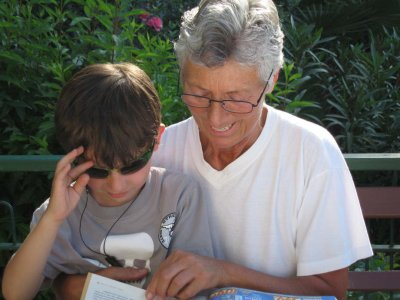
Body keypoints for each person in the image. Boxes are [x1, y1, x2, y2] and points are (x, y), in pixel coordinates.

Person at [53, 1, 373, 299]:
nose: (216, 119)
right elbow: (70, 271)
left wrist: (222, 273)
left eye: (236, 99)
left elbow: (331, 291)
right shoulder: (151, 156)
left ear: (272, 79)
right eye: (199, 95)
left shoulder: (311, 153)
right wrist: (82, 285)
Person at [1, 63, 214, 300]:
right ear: (73, 155)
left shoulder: (180, 196)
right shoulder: (61, 213)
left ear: (157, 139)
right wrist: (53, 219)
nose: (116, 185)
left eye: (132, 165)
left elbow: (197, 287)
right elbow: (15, 293)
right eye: (98, 170)